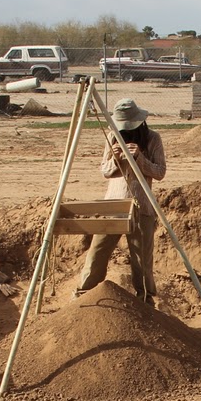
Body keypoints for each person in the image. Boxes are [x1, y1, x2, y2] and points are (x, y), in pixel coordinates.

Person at [74, 98, 167, 306]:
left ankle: (145, 300)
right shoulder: (112, 136)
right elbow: (105, 171)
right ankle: (84, 295)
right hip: (113, 207)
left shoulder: (153, 138)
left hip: (141, 207)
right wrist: (115, 158)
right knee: (97, 252)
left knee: (142, 260)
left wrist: (140, 158)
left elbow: (160, 172)